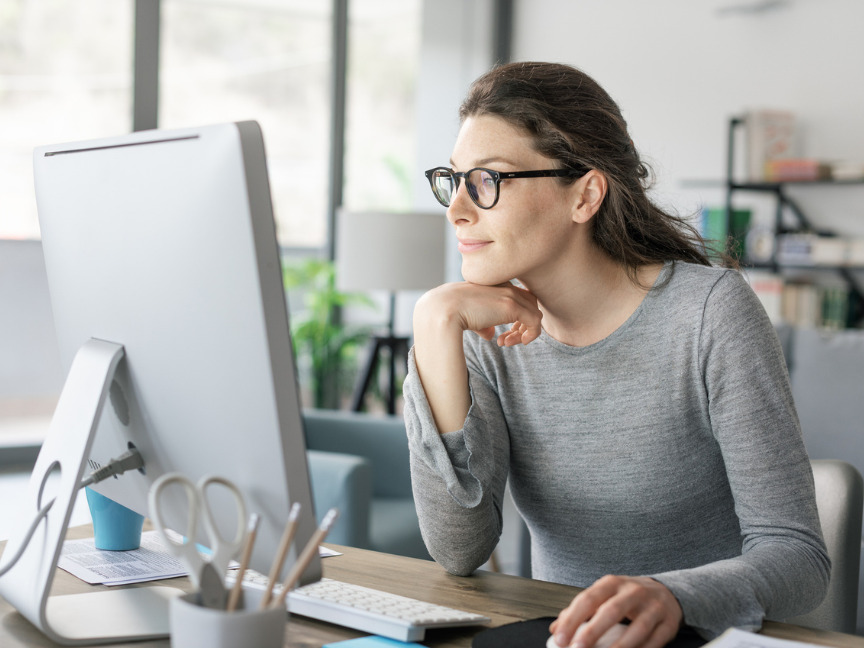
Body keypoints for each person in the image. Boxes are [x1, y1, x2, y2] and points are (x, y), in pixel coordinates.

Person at [402, 61, 829, 648]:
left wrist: (673, 596)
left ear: (586, 194)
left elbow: (799, 557)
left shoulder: (709, 314)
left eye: (489, 180)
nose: (457, 209)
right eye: (455, 180)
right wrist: (433, 324)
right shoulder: (485, 334)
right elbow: (459, 549)